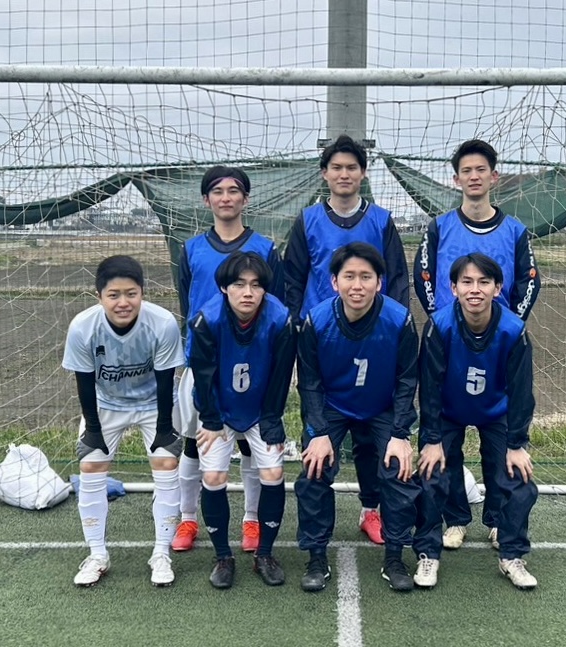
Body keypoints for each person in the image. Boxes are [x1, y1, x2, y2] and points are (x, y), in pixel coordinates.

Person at [413, 138, 541, 551]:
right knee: (445, 439)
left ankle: (499, 520)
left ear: (493, 176)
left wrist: (511, 323)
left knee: (496, 438)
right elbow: (424, 276)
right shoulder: (439, 227)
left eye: (480, 170)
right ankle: (455, 518)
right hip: (452, 342)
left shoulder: (515, 230)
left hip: (495, 346)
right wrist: (442, 319)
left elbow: (530, 280)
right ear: (456, 179)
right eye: (466, 171)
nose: (473, 177)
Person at [284, 134, 410, 546]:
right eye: (336, 167)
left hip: (373, 341)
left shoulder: (381, 220)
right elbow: (293, 278)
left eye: (351, 167)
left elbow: (396, 279)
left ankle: (371, 510)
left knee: (372, 436)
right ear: (324, 174)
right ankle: (316, 535)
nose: (344, 174)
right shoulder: (307, 220)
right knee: (321, 427)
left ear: (363, 173)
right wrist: (297, 328)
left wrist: (390, 331)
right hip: (324, 342)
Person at [294, 242, 440, 592]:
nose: (357, 285)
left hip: (381, 406)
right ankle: (316, 556)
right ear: (334, 282)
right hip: (332, 407)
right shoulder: (317, 320)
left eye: (366, 277)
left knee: (398, 469)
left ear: (379, 282)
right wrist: (318, 432)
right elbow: (310, 382)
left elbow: (407, 379)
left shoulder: (398, 320)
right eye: (349, 277)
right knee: (314, 469)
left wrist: (400, 433)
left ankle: (395, 556)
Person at [172, 165, 285, 554]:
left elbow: (274, 303)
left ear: (245, 199)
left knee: (253, 445)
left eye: (234, 190)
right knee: (197, 441)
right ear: (206, 200)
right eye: (217, 191)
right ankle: (188, 517)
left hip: (252, 360)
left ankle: (251, 519)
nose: (226, 197)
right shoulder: (191, 249)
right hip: (205, 361)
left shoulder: (265, 248)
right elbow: (188, 302)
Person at [417, 252, 539, 589]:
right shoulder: (439, 326)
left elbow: (521, 391)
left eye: (484, 282)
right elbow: (429, 387)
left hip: (496, 410)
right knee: (432, 472)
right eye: (467, 282)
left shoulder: (513, 330)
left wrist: (517, 443)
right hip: (448, 411)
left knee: (516, 475)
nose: (475, 289)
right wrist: (431, 439)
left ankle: (509, 550)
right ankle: (439, 541)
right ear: (453, 288)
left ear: (497, 288)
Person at [63, 255, 185, 587]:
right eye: (113, 295)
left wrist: (164, 429)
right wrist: (93, 429)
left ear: (142, 292)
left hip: (153, 403)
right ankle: (97, 554)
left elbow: (166, 380)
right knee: (90, 466)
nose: (123, 302)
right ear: (99, 296)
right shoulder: (82, 327)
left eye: (131, 293)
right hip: (106, 403)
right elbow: (84, 382)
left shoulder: (162, 323)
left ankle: (161, 553)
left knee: (166, 464)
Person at [189, 252, 296, 588]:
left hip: (260, 409)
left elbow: (281, 375)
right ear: (224, 287)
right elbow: (202, 376)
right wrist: (210, 419)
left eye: (256, 285)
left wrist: (272, 417)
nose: (248, 292)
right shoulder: (207, 320)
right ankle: (223, 556)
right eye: (239, 284)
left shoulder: (280, 320)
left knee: (273, 472)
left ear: (265, 289)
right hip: (218, 409)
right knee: (214, 475)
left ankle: (264, 553)